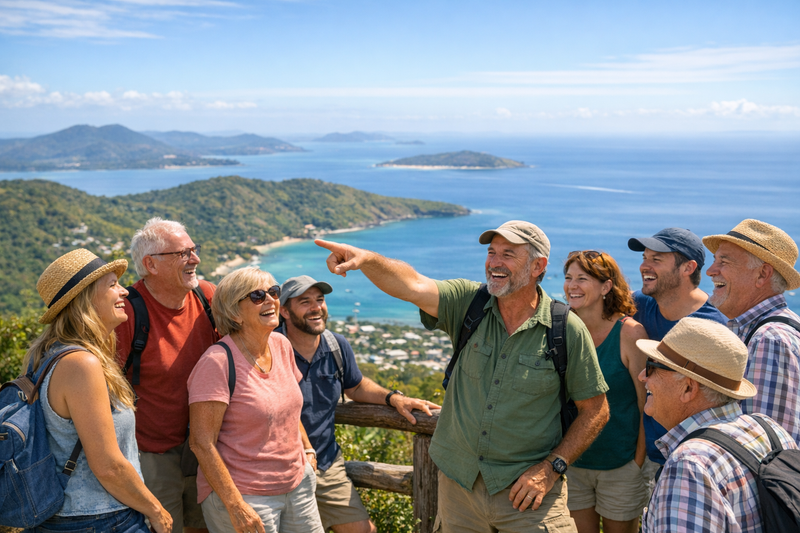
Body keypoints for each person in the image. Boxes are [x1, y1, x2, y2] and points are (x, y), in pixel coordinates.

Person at [316, 220, 610, 533]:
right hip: (460, 491)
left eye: (508, 254)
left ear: (538, 266)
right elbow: (412, 285)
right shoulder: (470, 303)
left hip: (528, 494)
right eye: (491, 252)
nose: (494, 262)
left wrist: (553, 468)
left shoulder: (564, 329)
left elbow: (596, 410)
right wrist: (367, 259)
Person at [275, 275, 440, 533]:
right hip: (278, 469)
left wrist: (394, 398)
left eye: (320, 300)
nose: (316, 307)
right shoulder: (270, 348)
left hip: (325, 464)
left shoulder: (335, 346)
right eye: (304, 302)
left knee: (364, 531)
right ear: (284, 311)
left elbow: (355, 385)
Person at [26, 249, 172, 533]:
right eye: (112, 285)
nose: (124, 292)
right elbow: (108, 466)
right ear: (85, 299)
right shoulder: (82, 364)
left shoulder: (50, 356)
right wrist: (156, 510)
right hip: (101, 519)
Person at [188, 267, 324, 533]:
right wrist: (236, 505)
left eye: (274, 292)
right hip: (245, 496)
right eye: (257, 295)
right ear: (234, 312)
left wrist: (307, 450)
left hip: (297, 486)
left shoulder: (281, 344)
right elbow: (201, 443)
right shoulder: (217, 362)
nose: (271, 300)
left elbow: (288, 409)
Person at [638, 317, 797, 532]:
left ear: (688, 388)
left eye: (651, 367)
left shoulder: (689, 466)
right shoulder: (769, 429)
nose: (641, 377)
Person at [115, 217, 217, 533]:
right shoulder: (127, 313)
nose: (195, 259)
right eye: (183, 253)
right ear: (151, 264)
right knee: (164, 528)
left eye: (194, 250)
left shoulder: (207, 297)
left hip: (206, 444)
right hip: (152, 451)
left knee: (204, 527)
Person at [627, 227, 727, 478]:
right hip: (646, 453)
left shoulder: (712, 327)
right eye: (644, 258)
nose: (644, 266)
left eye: (656, 259)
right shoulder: (641, 304)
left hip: (691, 458)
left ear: (688, 268)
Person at [561, 251, 648, 533]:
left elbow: (646, 402)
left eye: (582, 279)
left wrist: (637, 461)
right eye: (568, 277)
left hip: (621, 465)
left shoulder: (630, 334)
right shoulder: (559, 329)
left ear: (606, 287)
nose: (572, 285)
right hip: (571, 462)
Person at [703, 218, 800, 443]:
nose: (710, 271)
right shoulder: (768, 329)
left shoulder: (769, 340)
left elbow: (767, 448)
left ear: (762, 274)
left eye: (723, 262)